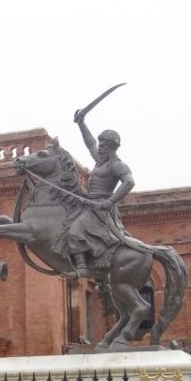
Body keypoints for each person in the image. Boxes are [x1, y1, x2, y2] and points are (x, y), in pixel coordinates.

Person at [60, 109, 136, 278]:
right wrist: (81, 123)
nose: (99, 148)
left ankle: (81, 268)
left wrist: (110, 201)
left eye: (102, 146)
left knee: (74, 231)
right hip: (89, 205)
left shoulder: (117, 165)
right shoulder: (101, 161)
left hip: (101, 209)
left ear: (110, 148)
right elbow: (90, 143)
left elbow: (129, 182)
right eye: (100, 146)